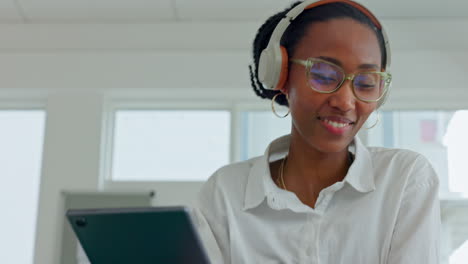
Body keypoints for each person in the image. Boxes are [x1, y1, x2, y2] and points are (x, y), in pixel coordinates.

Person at [194, 0, 441, 263]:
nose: (345, 102)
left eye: (366, 83)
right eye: (323, 75)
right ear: (281, 76)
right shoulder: (225, 193)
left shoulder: (404, 179)